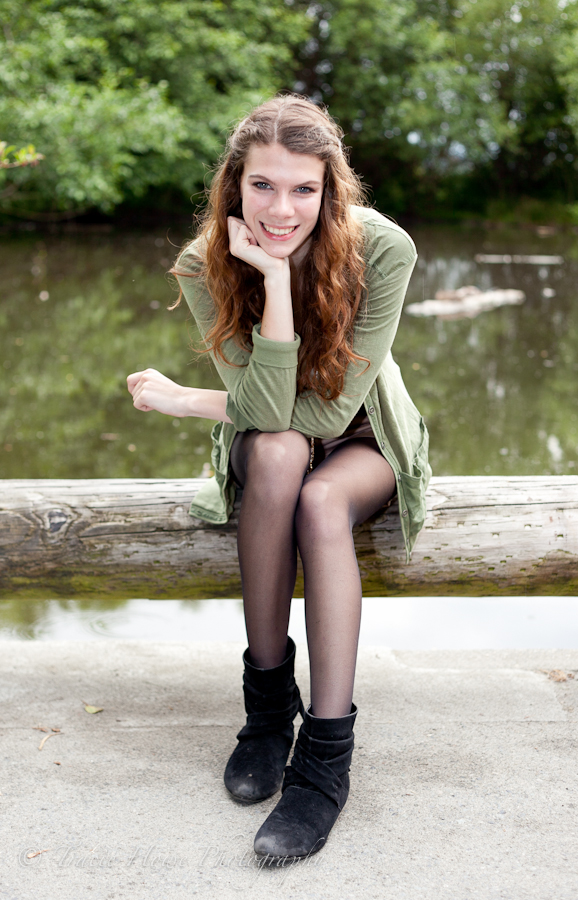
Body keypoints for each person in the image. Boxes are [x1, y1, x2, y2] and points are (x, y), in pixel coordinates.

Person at [127, 94, 431, 861]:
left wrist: (187, 399)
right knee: (275, 452)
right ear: (234, 185)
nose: (282, 208)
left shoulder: (384, 250)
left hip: (364, 436)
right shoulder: (205, 262)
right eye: (263, 186)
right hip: (269, 444)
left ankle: (324, 764)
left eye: (304, 189)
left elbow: (329, 418)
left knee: (323, 499)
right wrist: (269, 277)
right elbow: (268, 413)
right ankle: (266, 716)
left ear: (331, 189)